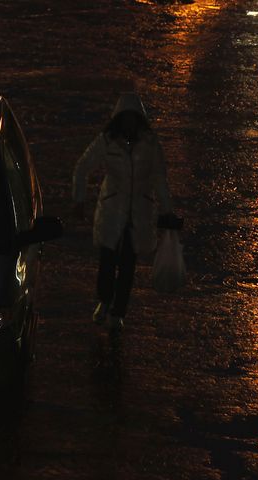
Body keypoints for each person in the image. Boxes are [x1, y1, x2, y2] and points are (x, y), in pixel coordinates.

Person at [72, 92, 177, 332]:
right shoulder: (107, 141)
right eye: (125, 119)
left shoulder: (150, 145)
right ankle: (104, 300)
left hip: (138, 212)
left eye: (133, 119)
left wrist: (167, 210)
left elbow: (160, 178)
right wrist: (79, 200)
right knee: (108, 260)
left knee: (128, 264)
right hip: (112, 209)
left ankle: (118, 312)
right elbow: (82, 167)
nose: (129, 124)